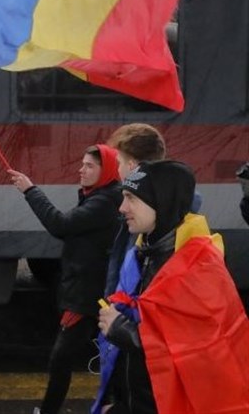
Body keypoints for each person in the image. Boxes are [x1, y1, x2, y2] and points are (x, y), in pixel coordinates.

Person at [94, 160, 249, 413]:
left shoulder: (200, 267)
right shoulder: (142, 252)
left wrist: (121, 329)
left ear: (162, 202)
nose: (122, 207)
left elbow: (199, 351)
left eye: (131, 198)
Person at [8, 144, 122, 414]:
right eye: (82, 164)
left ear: (105, 170)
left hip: (87, 293)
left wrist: (30, 190)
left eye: (89, 166)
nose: (81, 170)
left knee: (62, 357)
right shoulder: (99, 195)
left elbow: (60, 225)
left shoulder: (104, 201)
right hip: (88, 289)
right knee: (110, 353)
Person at [103, 124, 167, 297]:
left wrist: (118, 317)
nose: (122, 208)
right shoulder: (171, 208)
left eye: (119, 163)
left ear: (131, 167)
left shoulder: (144, 221)